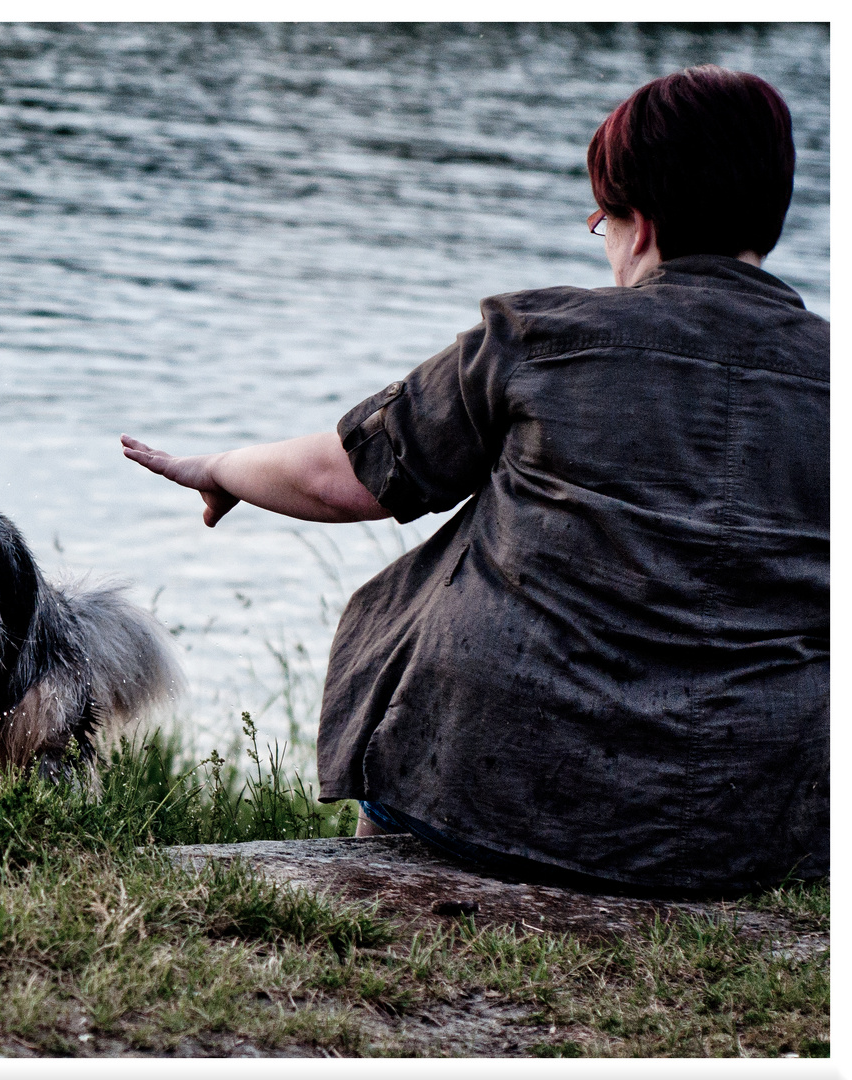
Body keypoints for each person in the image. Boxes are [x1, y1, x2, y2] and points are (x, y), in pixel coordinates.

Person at [123, 65, 826, 896]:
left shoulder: (541, 338)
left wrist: (219, 467)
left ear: (638, 224)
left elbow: (345, 478)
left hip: (493, 796)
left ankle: (381, 862)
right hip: (749, 825)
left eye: (599, 220)